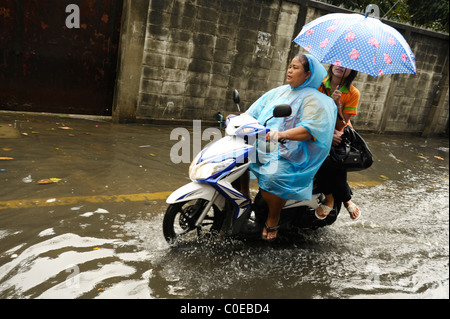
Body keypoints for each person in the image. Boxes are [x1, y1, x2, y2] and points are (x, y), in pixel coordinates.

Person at [243, 54, 337, 241]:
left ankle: (273, 217)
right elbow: (254, 111)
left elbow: (311, 130)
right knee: (238, 159)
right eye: (289, 66)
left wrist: (283, 134)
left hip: (295, 154)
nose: (289, 70)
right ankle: (244, 202)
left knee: (273, 176)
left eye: (295, 67)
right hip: (268, 143)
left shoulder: (317, 99)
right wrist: (237, 117)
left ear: (308, 74)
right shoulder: (279, 92)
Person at [315, 64, 362, 221]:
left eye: (347, 65)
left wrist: (337, 105)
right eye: (338, 62)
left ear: (352, 71)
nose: (340, 67)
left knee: (336, 159)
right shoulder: (319, 85)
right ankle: (346, 198)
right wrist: (326, 135)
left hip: (339, 131)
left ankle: (330, 199)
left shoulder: (353, 93)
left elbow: (342, 125)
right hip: (319, 130)